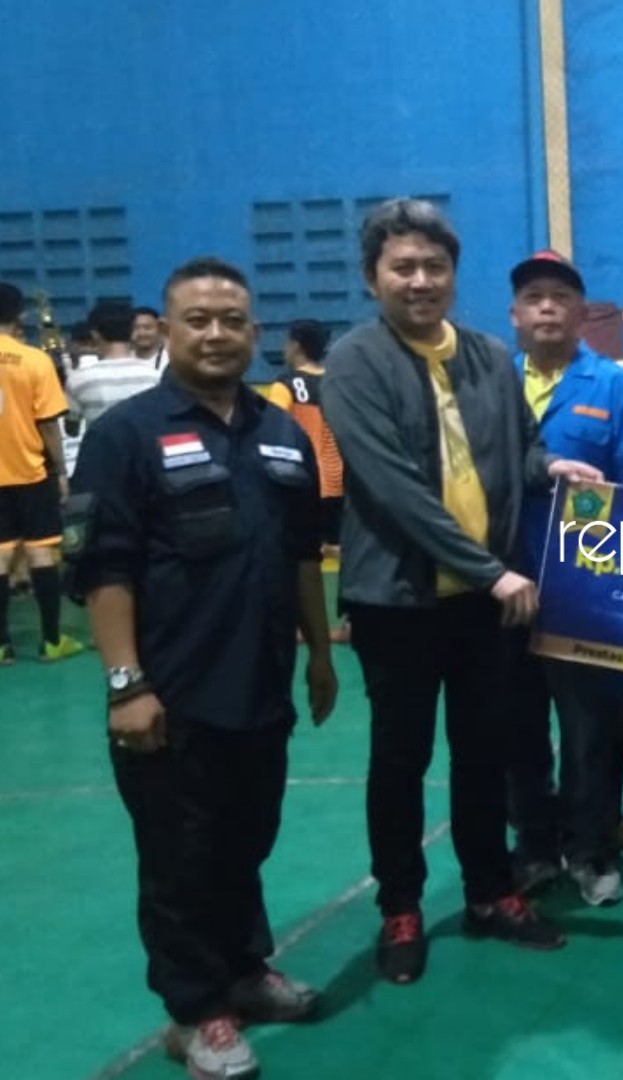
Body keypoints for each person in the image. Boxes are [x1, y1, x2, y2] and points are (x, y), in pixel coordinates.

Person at [65, 256, 339, 1080]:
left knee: (245, 841)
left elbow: (300, 556)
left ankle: (244, 971)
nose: (217, 333)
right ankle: (194, 1012)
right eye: (199, 319)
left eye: (232, 320)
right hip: (169, 698)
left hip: (258, 689)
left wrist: (320, 655)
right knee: (179, 859)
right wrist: (127, 686)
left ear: (254, 332)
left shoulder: (282, 431)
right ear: (168, 329)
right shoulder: (127, 435)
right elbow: (101, 568)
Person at [321, 198, 572, 984]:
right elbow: (394, 489)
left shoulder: (490, 356)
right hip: (398, 602)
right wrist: (491, 569)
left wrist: (550, 469)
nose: (421, 280)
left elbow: (517, 450)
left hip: (482, 605)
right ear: (373, 279)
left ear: (454, 275)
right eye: (403, 267)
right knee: (399, 757)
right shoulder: (355, 361)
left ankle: (491, 892)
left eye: (435, 266)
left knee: (482, 752)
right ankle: (400, 906)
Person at [504, 249, 623, 903]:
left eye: (560, 297)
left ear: (582, 313)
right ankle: (534, 848)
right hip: (503, 590)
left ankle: (590, 849)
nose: (547, 306)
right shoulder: (492, 382)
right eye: (533, 296)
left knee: (594, 731)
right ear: (514, 314)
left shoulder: (613, 385)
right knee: (516, 730)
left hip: (588, 595)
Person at [0, 281, 83, 664]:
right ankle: (51, 641)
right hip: (31, 473)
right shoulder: (34, 361)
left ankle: (2, 645)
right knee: (40, 553)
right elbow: (50, 424)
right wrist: (61, 471)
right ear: (18, 315)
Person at [267, 321, 349, 579]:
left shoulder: (286, 384)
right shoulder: (338, 383)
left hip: (302, 481)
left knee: (303, 553)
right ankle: (345, 613)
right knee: (338, 548)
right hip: (338, 480)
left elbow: (273, 428)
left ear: (295, 346)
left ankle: (309, 616)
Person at [63, 300, 160, 433]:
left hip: (100, 452)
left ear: (95, 334)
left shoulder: (78, 380)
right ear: (132, 332)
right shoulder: (155, 377)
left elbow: (72, 430)